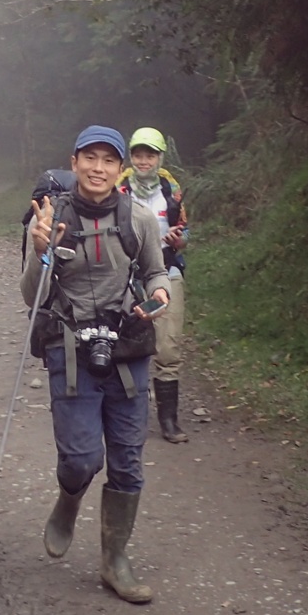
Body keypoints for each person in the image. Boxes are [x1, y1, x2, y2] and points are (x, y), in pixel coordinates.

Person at [23, 125, 170, 603]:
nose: (98, 168)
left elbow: (153, 269)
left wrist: (160, 292)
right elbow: (32, 296)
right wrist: (41, 250)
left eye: (110, 160)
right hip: (69, 347)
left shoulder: (140, 218)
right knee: (82, 459)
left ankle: (114, 561)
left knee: (128, 460)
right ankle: (69, 499)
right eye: (90, 158)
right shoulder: (49, 217)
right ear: (75, 161)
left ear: (120, 167)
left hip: (125, 345)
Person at [120, 127, 191, 443]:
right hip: (125, 277)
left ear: (159, 156)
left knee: (167, 344)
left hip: (166, 272)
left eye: (150, 154)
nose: (143, 160)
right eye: (138, 154)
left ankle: (168, 420)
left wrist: (180, 240)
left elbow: (185, 232)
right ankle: (124, 415)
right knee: (124, 341)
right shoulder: (118, 190)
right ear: (131, 156)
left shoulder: (171, 191)